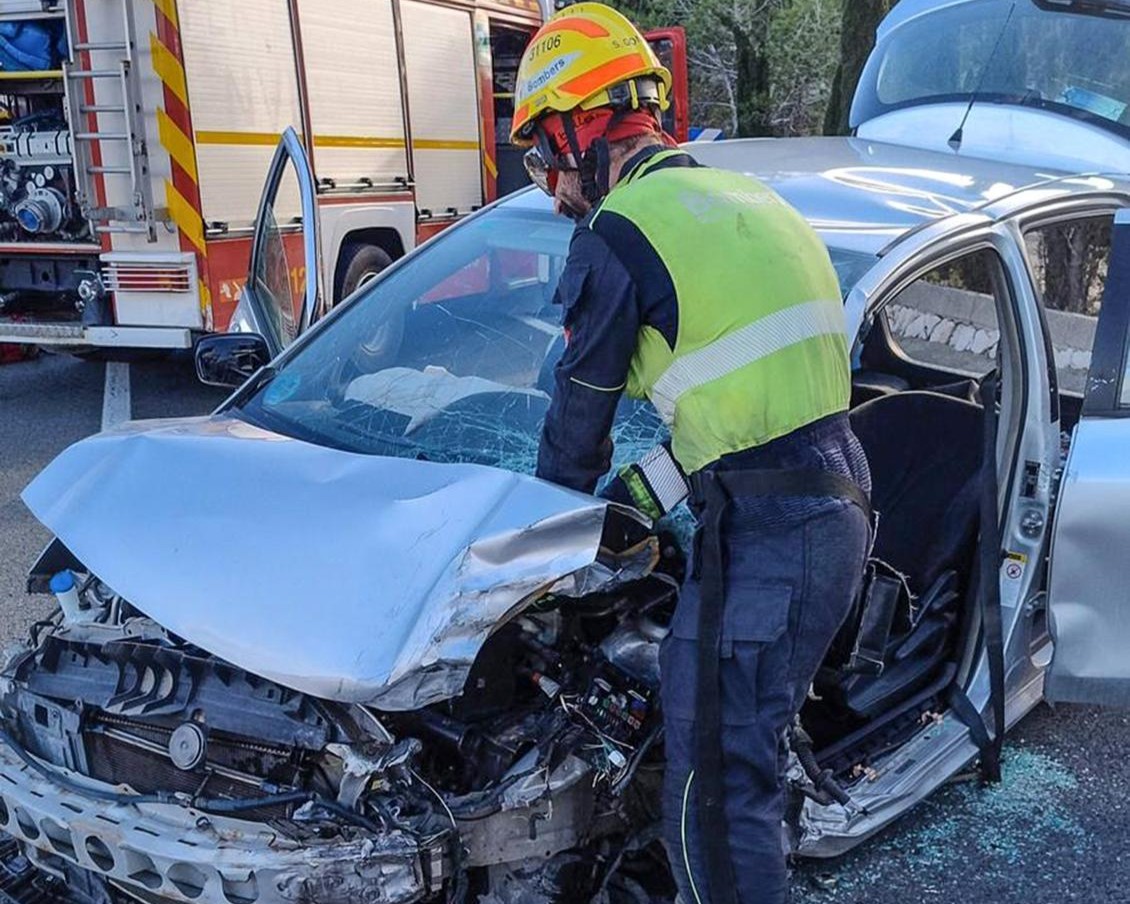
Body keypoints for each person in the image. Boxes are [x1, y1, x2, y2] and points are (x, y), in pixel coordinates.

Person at [510, 5, 873, 903]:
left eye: (546, 156)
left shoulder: (620, 233)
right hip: (829, 500)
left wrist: (523, 560)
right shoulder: (750, 202)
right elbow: (744, 412)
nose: (554, 191)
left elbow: (573, 435)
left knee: (712, 797)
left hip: (770, 535)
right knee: (741, 761)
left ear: (581, 127)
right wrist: (634, 505)